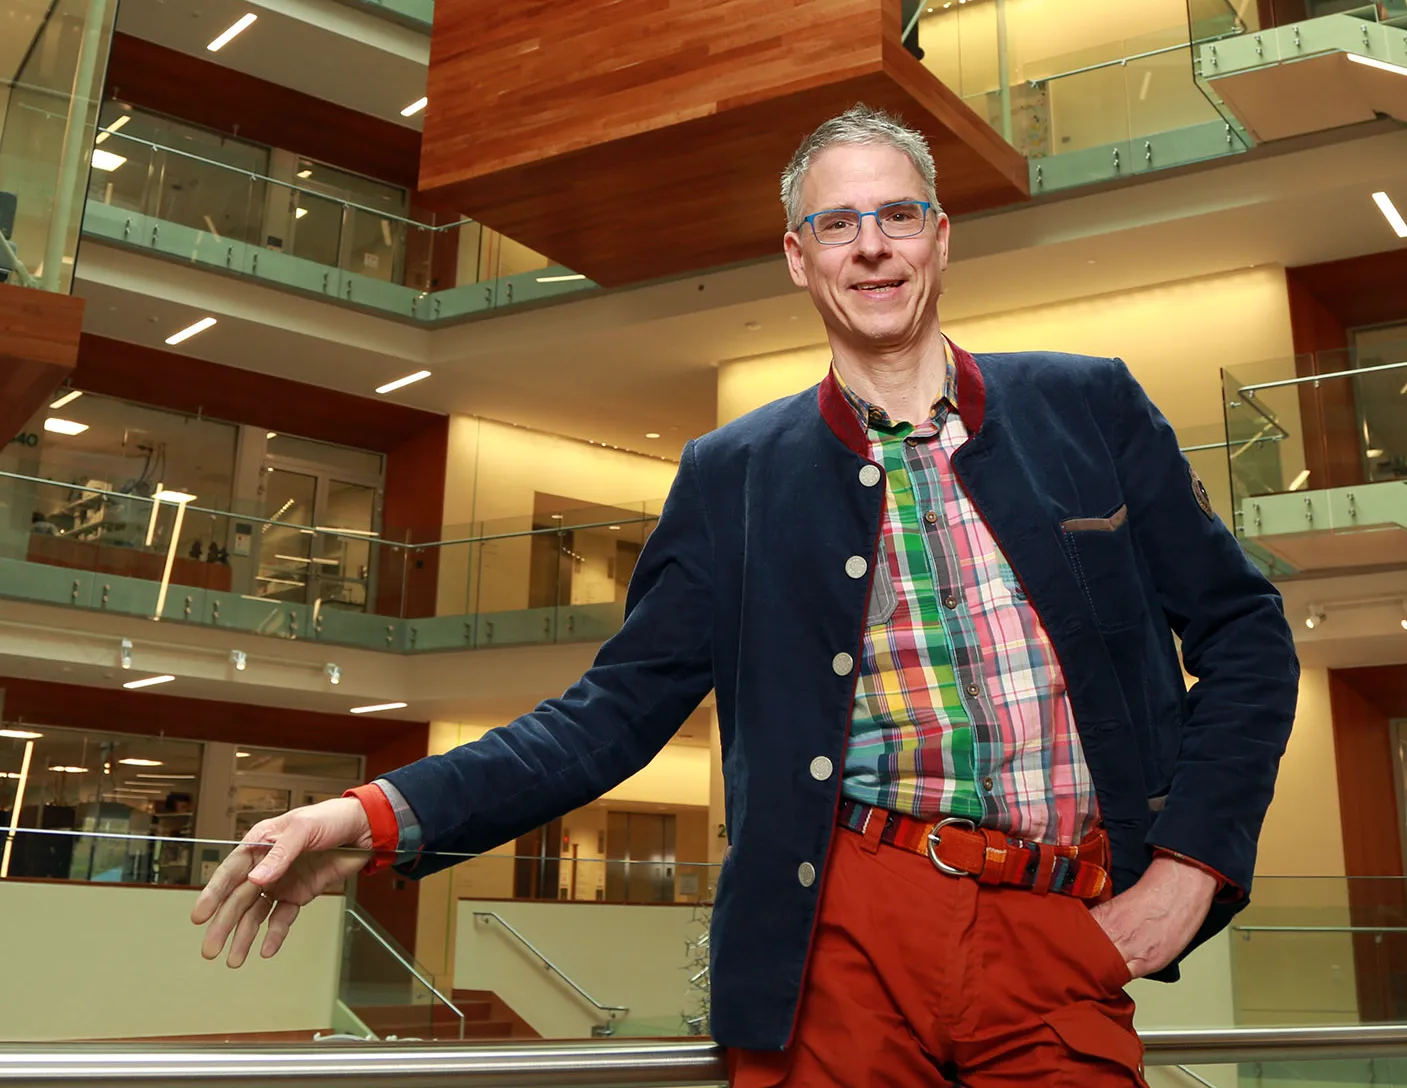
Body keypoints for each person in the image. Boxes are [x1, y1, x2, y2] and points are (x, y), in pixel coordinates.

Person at [192, 105, 1298, 1085]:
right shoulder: (735, 473)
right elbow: (609, 715)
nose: (872, 246)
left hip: (1062, 929)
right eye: (837, 224)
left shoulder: (1089, 406)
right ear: (797, 257)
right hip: (844, 937)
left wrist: (1192, 867)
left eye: (899, 215)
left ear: (940, 237)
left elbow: (1248, 634)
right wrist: (376, 814)